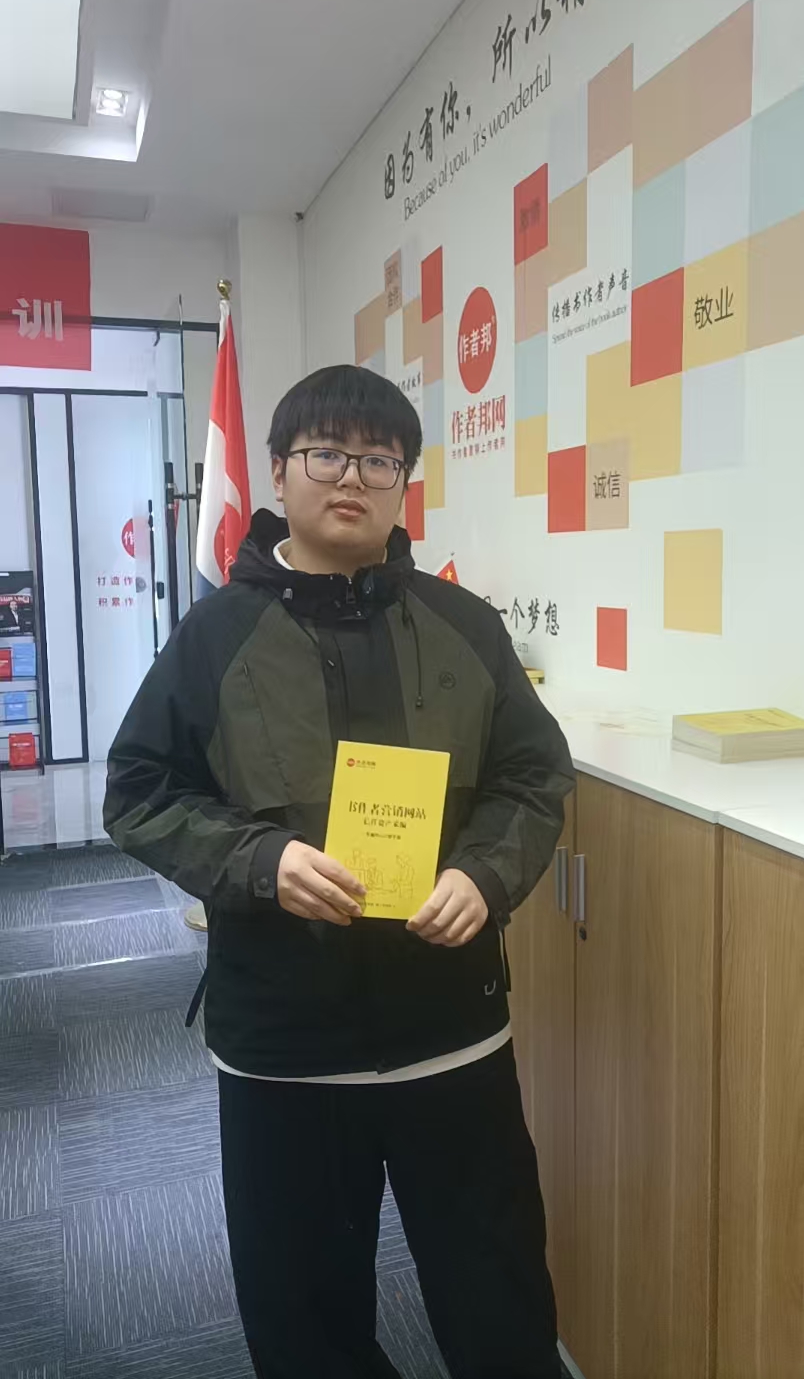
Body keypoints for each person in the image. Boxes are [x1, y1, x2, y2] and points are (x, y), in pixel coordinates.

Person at [104, 364, 575, 1379]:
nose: (352, 477)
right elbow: (139, 791)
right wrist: (259, 860)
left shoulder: (465, 626)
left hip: (451, 1034)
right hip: (285, 1046)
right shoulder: (214, 637)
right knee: (305, 1323)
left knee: (499, 1304)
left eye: (379, 460)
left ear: (404, 482)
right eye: (327, 454)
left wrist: (487, 874)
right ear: (279, 471)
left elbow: (534, 776)